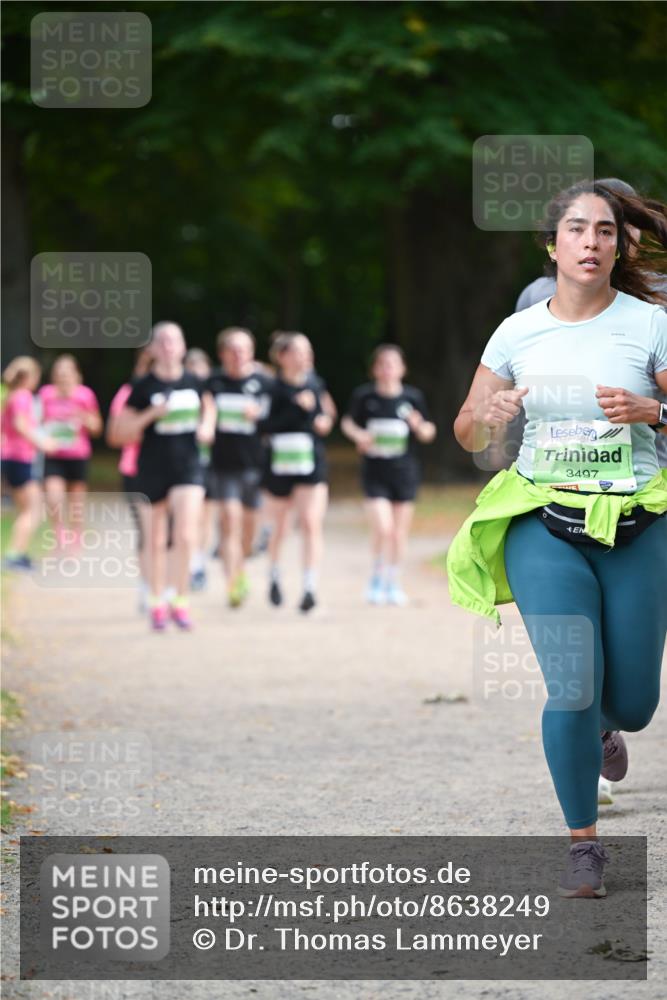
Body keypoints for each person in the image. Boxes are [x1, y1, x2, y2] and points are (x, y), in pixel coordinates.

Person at [448, 180, 667, 898]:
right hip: (544, 523)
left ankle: (607, 731)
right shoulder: (518, 332)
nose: (590, 242)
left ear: (617, 244)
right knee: (571, 688)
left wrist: (652, 411)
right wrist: (491, 410)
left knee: (629, 702)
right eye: (576, 229)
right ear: (553, 245)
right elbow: (467, 431)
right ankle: (582, 843)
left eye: (604, 230)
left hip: (635, 522)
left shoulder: (650, 323)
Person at [115, 322, 215, 631]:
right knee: (155, 540)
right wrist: (150, 415)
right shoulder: (142, 388)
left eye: (175, 341)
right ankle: (156, 601)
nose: (169, 346)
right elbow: (118, 434)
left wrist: (207, 427)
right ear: (154, 349)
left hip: (188, 468)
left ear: (183, 347)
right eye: (163, 341)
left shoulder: (195, 382)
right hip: (152, 469)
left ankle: (180, 600)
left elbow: (209, 407)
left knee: (185, 535)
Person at [342, 344, 436, 605]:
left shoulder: (412, 398)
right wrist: (358, 435)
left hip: (404, 472)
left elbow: (429, 433)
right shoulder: (364, 397)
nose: (387, 370)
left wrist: (419, 427)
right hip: (374, 472)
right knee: (383, 529)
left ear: (402, 369)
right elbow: (348, 422)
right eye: (382, 364)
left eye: (392, 364)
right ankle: (376, 577)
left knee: (398, 533)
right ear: (374, 369)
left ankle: (393, 582)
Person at [260, 332, 333, 612]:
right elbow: (263, 425)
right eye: (299, 351)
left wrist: (320, 418)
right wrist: (293, 409)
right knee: (281, 526)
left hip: (310, 462)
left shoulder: (315, 384)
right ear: (282, 357)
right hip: (279, 464)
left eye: (308, 350)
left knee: (311, 522)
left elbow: (325, 417)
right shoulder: (271, 387)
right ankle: (275, 575)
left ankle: (309, 587)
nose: (306, 356)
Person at [206, 328, 273, 607]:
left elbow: (278, 421)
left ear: (252, 353)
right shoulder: (213, 383)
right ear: (222, 354)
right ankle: (232, 582)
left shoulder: (264, 384)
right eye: (232, 349)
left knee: (248, 532)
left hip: (255, 466)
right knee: (229, 522)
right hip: (223, 466)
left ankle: (242, 568)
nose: (237, 355)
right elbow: (204, 413)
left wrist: (260, 417)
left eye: (243, 349)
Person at [106, 346, 154, 612]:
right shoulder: (128, 394)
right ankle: (146, 588)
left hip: (174, 471)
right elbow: (114, 436)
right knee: (148, 533)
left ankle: (169, 587)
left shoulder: (180, 391)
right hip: (136, 470)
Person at [39, 355, 103, 551]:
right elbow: (36, 422)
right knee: (53, 498)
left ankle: (75, 541)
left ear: (76, 375)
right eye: (58, 374)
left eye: (66, 374)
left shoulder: (85, 395)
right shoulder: (46, 394)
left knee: (76, 503)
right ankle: (60, 536)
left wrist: (83, 417)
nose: (62, 378)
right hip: (53, 455)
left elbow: (97, 428)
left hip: (78, 455)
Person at [1, 357, 56, 569]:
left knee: (27, 508)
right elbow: (21, 425)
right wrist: (43, 443)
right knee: (33, 509)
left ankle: (18, 553)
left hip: (11, 457)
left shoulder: (11, 396)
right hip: (19, 458)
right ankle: (14, 555)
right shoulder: (23, 396)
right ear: (29, 377)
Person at [184, 347, 214, 592]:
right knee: (189, 517)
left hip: (212, 464)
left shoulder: (214, 396)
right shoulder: (180, 396)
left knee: (205, 517)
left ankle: (199, 561)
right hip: (186, 465)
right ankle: (191, 563)